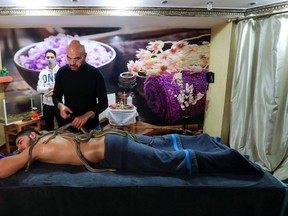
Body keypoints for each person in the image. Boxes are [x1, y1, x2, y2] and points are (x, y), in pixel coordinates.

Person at [0, 125, 263, 179]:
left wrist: (21, 153)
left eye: (20, 143)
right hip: (110, 138)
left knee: (167, 162)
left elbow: (3, 169)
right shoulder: (52, 136)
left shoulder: (35, 146)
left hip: (112, 148)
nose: (18, 149)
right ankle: (206, 142)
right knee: (159, 145)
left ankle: (229, 159)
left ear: (31, 136)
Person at [52, 40, 108, 132]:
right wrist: (61, 106)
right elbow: (55, 96)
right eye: (69, 58)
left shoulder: (95, 74)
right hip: (69, 126)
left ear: (85, 56)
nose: (72, 63)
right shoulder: (62, 72)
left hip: (92, 127)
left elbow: (103, 103)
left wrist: (85, 116)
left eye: (76, 59)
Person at [37, 49, 64, 131]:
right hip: (46, 104)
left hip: (59, 104)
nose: (50, 59)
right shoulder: (43, 72)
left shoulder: (61, 71)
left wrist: (55, 90)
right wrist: (48, 88)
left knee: (62, 126)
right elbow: (39, 89)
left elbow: (65, 87)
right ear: (45, 58)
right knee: (48, 128)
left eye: (52, 57)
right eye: (47, 57)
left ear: (56, 58)